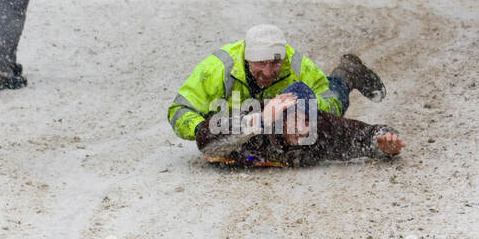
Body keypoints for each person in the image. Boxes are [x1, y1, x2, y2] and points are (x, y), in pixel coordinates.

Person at [167, 24, 402, 166]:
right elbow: (181, 113)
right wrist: (231, 126)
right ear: (248, 58)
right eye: (260, 64)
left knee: (331, 109)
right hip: (240, 118)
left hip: (291, 106)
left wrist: (381, 139)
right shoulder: (216, 70)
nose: (268, 73)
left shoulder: (298, 67)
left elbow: (350, 130)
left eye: (275, 63)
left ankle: (347, 74)